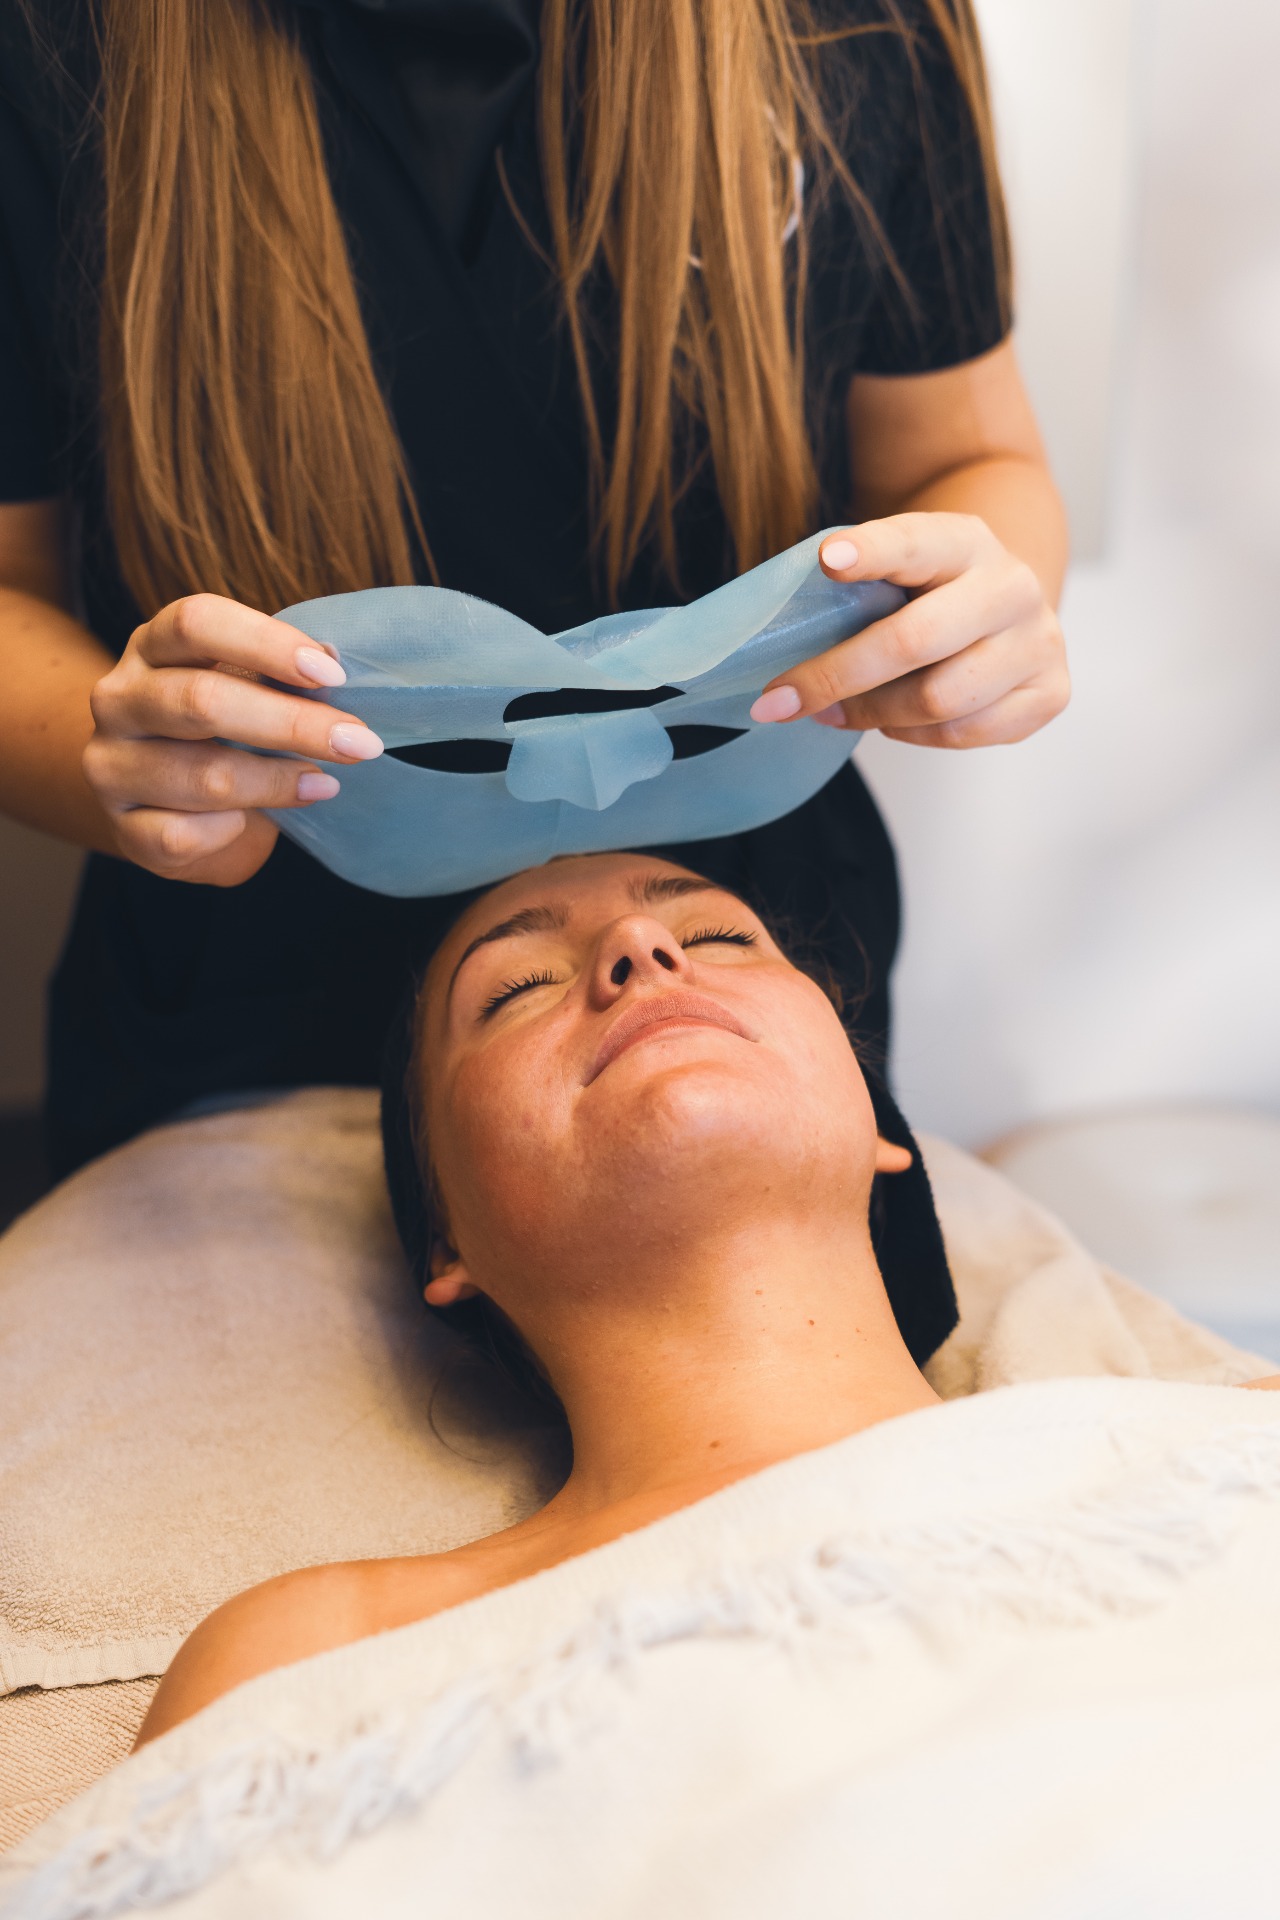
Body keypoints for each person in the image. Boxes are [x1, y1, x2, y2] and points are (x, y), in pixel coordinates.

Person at [0, 0, 1069, 1180]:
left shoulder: (848, 29)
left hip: (770, 928)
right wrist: (131, 771)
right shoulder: (51, 45)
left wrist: (983, 613)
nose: (636, 958)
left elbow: (963, 457)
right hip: (245, 991)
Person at [131, 850, 1280, 1751]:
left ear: (882, 1129)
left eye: (721, 936)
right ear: (448, 1237)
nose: (638, 948)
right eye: (515, 989)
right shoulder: (321, 1657)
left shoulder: (1235, 1451)